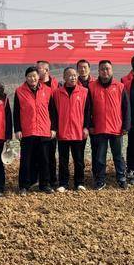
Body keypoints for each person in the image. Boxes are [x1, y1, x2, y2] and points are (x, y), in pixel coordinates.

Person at [87, 60, 130, 190]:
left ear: (111, 70)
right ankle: (100, 180)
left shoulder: (120, 86)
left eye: (107, 69)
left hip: (116, 128)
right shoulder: (92, 87)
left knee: (118, 155)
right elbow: (88, 109)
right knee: (100, 157)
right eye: (102, 69)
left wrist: (126, 126)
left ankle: (121, 178)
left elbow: (126, 108)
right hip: (99, 128)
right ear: (98, 71)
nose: (105, 71)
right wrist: (90, 125)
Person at [14, 66, 55, 195]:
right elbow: (16, 112)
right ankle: (24, 186)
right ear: (26, 78)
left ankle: (45, 184)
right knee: (26, 160)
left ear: (38, 77)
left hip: (44, 130)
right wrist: (18, 129)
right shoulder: (19, 91)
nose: (32, 78)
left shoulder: (47, 90)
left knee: (44, 160)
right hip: (28, 131)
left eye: (34, 76)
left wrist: (53, 128)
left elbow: (52, 111)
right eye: (30, 76)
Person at [49, 67, 90, 192]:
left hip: (78, 132)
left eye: (74, 75)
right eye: (70, 75)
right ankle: (63, 183)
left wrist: (86, 127)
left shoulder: (84, 92)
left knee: (79, 160)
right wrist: (54, 129)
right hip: (63, 131)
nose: (73, 77)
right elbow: (53, 113)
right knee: (63, 160)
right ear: (64, 77)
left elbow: (88, 112)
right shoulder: (56, 93)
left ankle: (79, 182)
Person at [35, 60, 59, 188]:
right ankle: (39, 179)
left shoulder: (56, 84)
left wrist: (54, 127)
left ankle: (53, 180)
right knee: (40, 155)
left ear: (46, 70)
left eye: (39, 69)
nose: (36, 71)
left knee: (51, 154)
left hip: (52, 124)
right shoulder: (35, 84)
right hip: (38, 125)